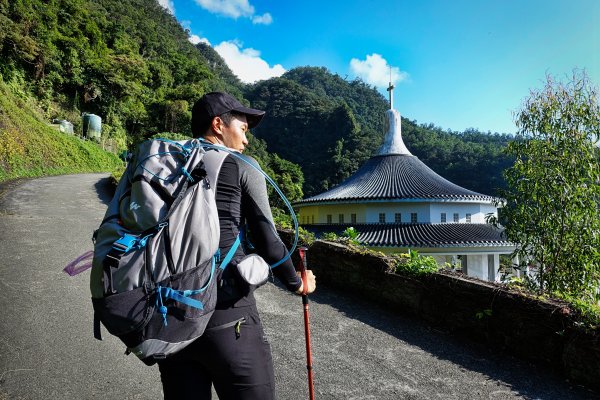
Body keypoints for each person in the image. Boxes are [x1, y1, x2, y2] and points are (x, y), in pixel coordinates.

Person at [157, 92, 316, 399]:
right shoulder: (242, 164)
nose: (247, 140)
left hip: (171, 315)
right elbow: (268, 239)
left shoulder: (169, 163)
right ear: (218, 125)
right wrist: (298, 283)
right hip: (227, 314)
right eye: (243, 129)